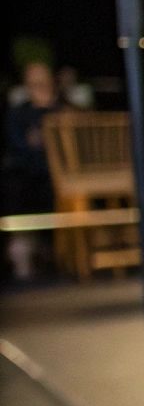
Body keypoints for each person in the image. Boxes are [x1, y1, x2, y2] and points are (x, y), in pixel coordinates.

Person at [3, 62, 61, 281]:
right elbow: (21, 145)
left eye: (43, 81)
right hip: (27, 172)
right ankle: (23, 253)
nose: (39, 86)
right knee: (16, 186)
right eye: (33, 83)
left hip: (58, 176)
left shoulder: (63, 109)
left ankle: (55, 252)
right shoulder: (19, 113)